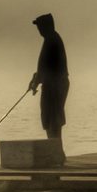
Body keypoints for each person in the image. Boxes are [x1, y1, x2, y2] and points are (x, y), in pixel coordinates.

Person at [28, 13, 70, 155]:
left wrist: (37, 80)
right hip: (53, 84)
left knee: (52, 118)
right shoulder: (50, 39)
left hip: (55, 85)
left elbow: (48, 68)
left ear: (46, 26)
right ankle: (56, 152)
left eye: (40, 26)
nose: (38, 29)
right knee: (51, 117)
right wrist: (35, 79)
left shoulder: (52, 40)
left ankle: (56, 153)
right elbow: (44, 67)